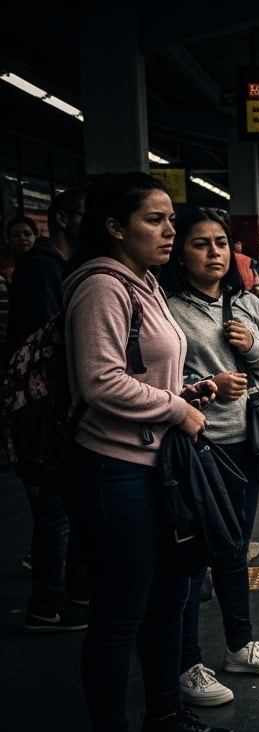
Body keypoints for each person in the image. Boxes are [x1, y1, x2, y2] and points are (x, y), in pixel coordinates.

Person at [64, 172, 234, 732]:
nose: (169, 231)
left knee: (169, 595)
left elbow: (144, 370)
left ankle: (163, 716)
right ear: (116, 227)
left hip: (154, 463)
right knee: (120, 611)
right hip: (115, 470)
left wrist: (191, 390)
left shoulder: (145, 283)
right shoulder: (100, 288)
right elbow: (100, 379)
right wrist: (177, 408)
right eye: (154, 221)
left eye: (169, 220)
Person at [162, 207, 259, 708]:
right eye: (200, 243)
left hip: (246, 441)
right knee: (194, 558)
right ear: (180, 252)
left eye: (220, 242)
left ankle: (240, 645)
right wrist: (208, 388)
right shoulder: (168, 309)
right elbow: (154, 381)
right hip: (197, 447)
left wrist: (254, 346)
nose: (214, 252)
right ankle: (187, 662)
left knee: (234, 547)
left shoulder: (247, 305)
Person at [6, 189, 90, 633]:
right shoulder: (43, 268)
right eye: (83, 214)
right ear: (62, 218)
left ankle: (59, 599)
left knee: (59, 509)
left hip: (46, 406)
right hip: (42, 409)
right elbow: (50, 341)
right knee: (56, 511)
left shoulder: (55, 267)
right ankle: (48, 605)